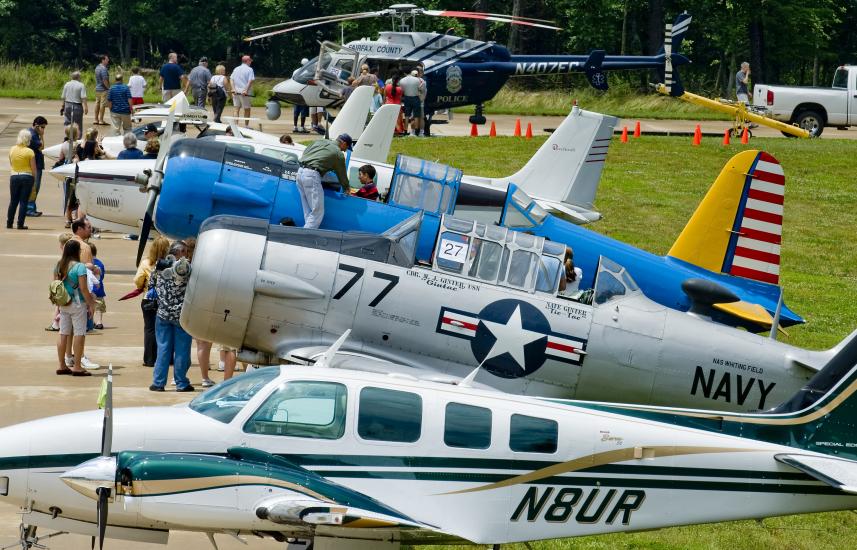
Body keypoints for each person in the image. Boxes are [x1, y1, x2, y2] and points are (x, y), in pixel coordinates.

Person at [150, 240, 194, 392]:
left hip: (163, 313)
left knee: (163, 348)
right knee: (182, 350)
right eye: (185, 252)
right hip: (181, 316)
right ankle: (181, 383)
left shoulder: (160, 266)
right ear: (179, 252)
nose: (188, 255)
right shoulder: (186, 268)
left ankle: (158, 382)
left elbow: (151, 283)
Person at [54, 240, 97, 376]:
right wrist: (92, 304)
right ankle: (77, 366)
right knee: (79, 333)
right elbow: (84, 289)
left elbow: (55, 284)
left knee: (63, 333)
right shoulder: (80, 267)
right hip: (78, 304)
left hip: (64, 303)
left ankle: (62, 365)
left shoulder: (59, 265)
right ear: (76, 252)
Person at [296, 134, 352, 229]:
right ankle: (305, 235)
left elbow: (306, 152)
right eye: (346, 147)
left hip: (300, 172)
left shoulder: (319, 141)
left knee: (308, 210)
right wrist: (347, 188)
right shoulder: (338, 154)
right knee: (318, 211)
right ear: (344, 143)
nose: (345, 150)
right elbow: (341, 174)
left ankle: (306, 230)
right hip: (312, 175)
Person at [135, 236, 170, 367]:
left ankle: (150, 359)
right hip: (165, 300)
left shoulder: (146, 263)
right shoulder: (170, 264)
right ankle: (165, 357)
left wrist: (142, 286)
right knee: (164, 329)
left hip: (148, 299)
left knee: (149, 329)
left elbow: (138, 280)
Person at [7, 129, 36, 230]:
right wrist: (34, 180)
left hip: (14, 176)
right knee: (23, 201)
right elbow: (33, 169)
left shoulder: (12, 149)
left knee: (13, 201)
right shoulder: (30, 152)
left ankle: (9, 223)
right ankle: (20, 224)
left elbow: (11, 163)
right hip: (26, 176)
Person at [46, 233, 75, 332]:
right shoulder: (73, 260)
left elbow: (56, 278)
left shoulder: (61, 260)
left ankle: (56, 323)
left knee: (59, 305)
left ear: (62, 246)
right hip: (72, 290)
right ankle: (56, 322)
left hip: (62, 286)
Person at [26, 116, 47, 217]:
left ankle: (31, 207)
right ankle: (29, 209)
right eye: (42, 127)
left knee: (34, 187)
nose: (43, 130)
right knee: (34, 187)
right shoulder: (33, 135)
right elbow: (42, 147)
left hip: (35, 164)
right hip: (35, 165)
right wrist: (42, 136)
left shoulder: (30, 132)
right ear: (36, 126)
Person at [230, 55, 255, 126]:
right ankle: (246, 126)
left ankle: (235, 126)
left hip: (236, 92)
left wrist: (233, 89)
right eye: (250, 60)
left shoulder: (236, 69)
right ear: (247, 61)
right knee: (247, 109)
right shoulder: (250, 69)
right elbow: (250, 80)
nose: (250, 62)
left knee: (236, 109)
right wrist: (246, 90)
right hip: (244, 93)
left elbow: (231, 79)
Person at [399, 70, 423, 136]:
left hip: (407, 98)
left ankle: (405, 130)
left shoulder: (402, 80)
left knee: (407, 116)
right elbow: (420, 89)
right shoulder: (417, 80)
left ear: (404, 73)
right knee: (416, 116)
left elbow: (402, 90)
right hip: (415, 98)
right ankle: (416, 131)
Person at [89, 243, 106, 329]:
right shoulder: (100, 263)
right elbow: (102, 276)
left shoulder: (87, 263)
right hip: (99, 289)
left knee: (90, 306)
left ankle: (91, 322)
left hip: (90, 289)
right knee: (99, 308)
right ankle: (99, 322)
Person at [94, 55, 110, 125]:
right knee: (102, 104)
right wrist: (108, 88)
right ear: (103, 60)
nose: (108, 60)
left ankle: (96, 119)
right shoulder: (104, 69)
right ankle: (101, 120)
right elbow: (104, 80)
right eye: (107, 59)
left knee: (97, 103)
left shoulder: (97, 67)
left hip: (97, 88)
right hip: (103, 89)